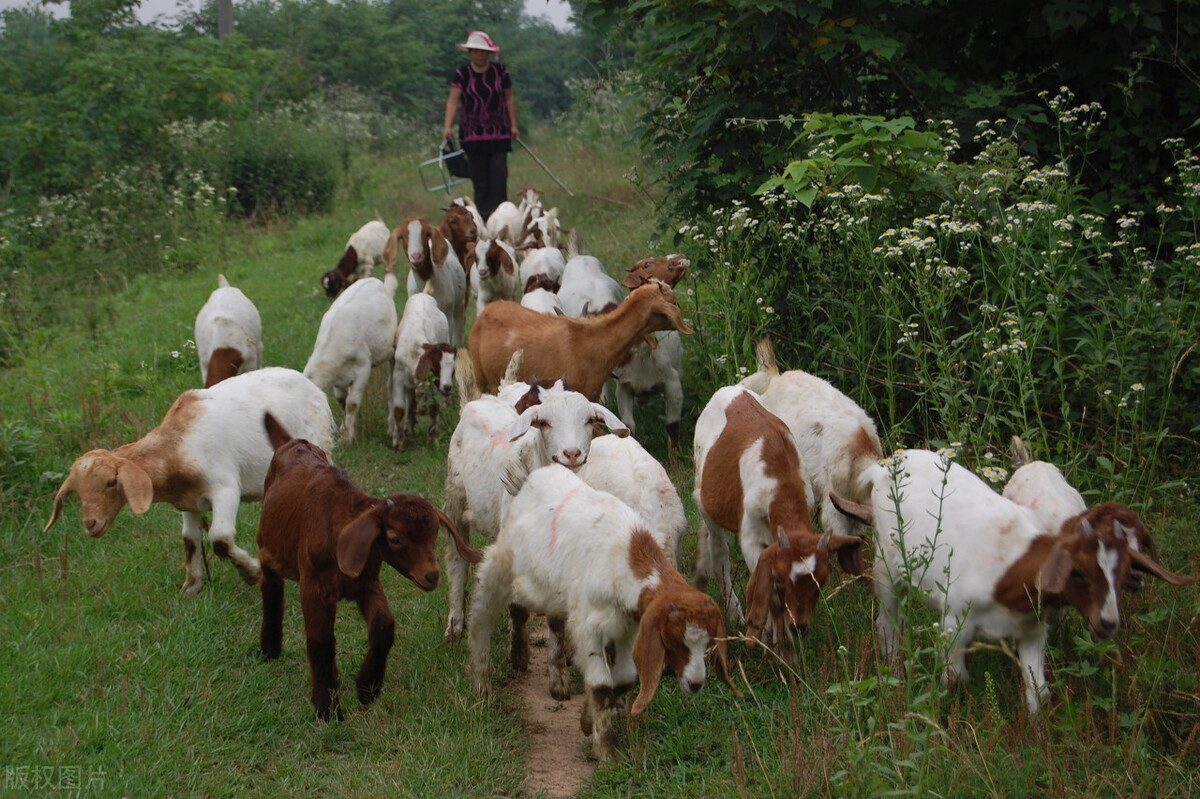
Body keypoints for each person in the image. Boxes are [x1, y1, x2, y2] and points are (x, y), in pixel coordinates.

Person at [442, 30, 520, 224]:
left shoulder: (500, 72)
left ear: (488, 53)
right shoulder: (462, 74)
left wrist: (513, 125)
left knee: (499, 177)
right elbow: (453, 101)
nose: (478, 55)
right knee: (480, 181)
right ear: (469, 53)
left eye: (482, 51)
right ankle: (483, 223)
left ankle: (503, 222)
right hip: (472, 136)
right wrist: (447, 126)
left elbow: (509, 98)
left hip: (498, 134)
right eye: (474, 51)